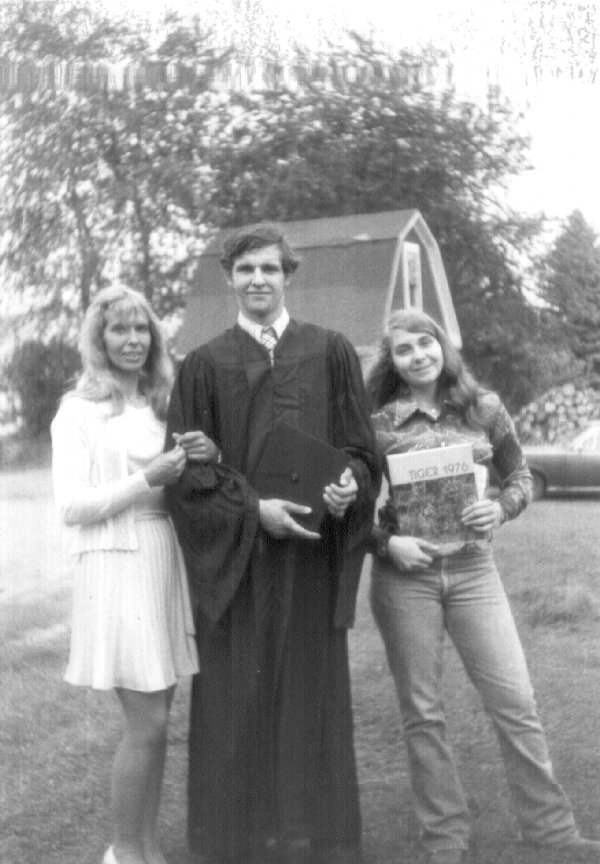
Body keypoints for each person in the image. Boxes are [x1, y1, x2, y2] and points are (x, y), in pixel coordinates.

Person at [165, 224, 381, 864]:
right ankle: (237, 841)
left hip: (312, 557)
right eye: (245, 269)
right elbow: (186, 473)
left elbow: (362, 452)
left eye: (270, 269)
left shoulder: (331, 351)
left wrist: (348, 485)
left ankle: (315, 839)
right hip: (240, 565)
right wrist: (253, 509)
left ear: (288, 275)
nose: (258, 279)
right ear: (228, 277)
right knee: (239, 698)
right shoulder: (203, 364)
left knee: (309, 696)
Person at [365, 308, 600, 864]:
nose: (419, 354)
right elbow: (352, 509)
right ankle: (444, 841)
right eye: (405, 349)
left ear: (444, 346)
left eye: (426, 342)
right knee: (422, 713)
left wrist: (500, 509)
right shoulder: (374, 422)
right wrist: (386, 543)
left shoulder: (484, 408)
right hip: (406, 577)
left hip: (474, 572)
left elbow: (519, 475)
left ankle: (550, 830)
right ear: (392, 361)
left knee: (515, 701)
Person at [51, 286, 207, 864]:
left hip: (164, 560)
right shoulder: (78, 410)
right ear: (99, 340)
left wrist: (199, 457)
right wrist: (150, 479)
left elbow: (184, 485)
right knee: (146, 723)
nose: (133, 340)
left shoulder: (162, 401)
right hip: (115, 565)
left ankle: (147, 848)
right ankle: (121, 853)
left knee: (161, 722)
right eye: (119, 330)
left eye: (141, 330)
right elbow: (71, 505)